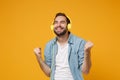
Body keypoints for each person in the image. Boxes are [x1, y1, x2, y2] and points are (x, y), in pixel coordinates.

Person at [34, 12, 93, 80]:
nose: (58, 25)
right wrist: (39, 58)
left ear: (68, 26)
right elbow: (48, 73)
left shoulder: (80, 43)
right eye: (56, 22)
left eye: (62, 22)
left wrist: (87, 52)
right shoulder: (49, 45)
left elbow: (86, 71)